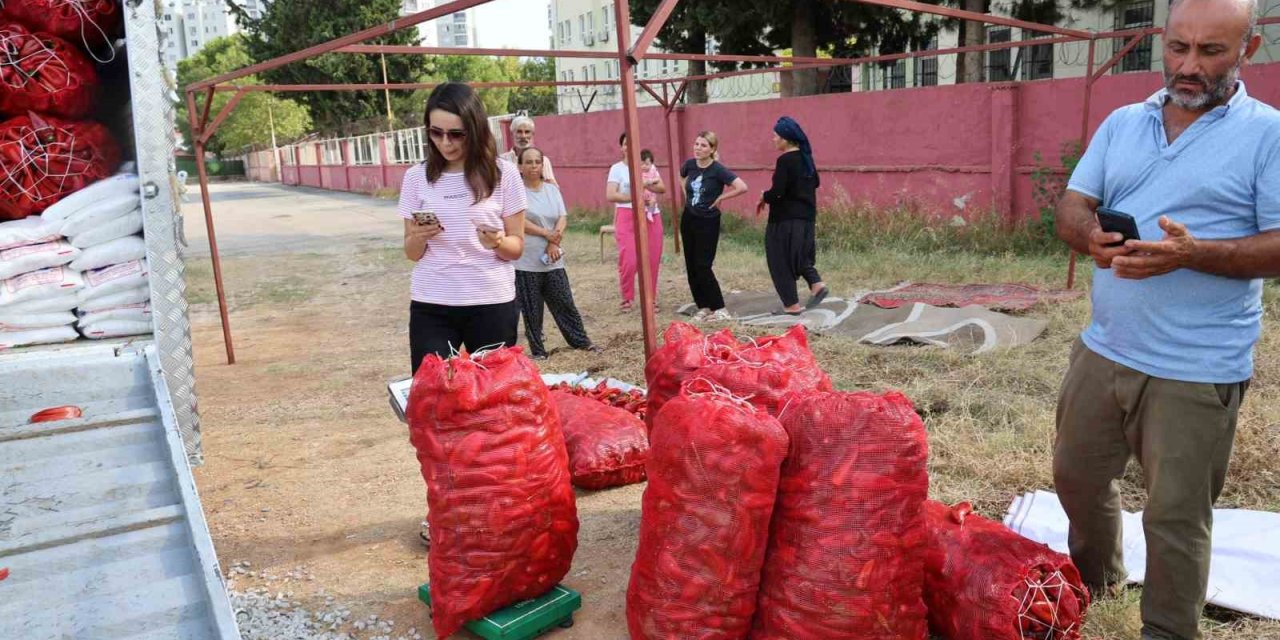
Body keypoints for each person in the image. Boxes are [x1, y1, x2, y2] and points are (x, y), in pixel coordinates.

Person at [1051, 0, 1279, 638]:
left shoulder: (1269, 135)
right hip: (1104, 349)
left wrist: (1193, 254)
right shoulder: (1125, 122)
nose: (1188, 66)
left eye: (1211, 52)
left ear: (1247, 51)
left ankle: (1168, 631)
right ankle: (1098, 587)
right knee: (1076, 479)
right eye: (1178, 47)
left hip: (1195, 367)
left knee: (1177, 517)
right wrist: (1090, 236)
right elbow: (1072, 206)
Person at [399, 81, 527, 375]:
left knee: (495, 394)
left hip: (490, 299)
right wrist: (418, 237)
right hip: (433, 300)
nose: (446, 143)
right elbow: (411, 252)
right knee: (434, 394)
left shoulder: (503, 174)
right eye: (436, 133)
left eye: (456, 134)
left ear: (476, 129)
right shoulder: (416, 178)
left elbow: (516, 248)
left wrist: (497, 242)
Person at [514, 146, 599, 360]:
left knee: (565, 302)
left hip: (553, 258)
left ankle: (581, 341)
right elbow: (518, 221)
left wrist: (554, 241)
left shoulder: (552, 189)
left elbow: (562, 217)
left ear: (543, 165)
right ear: (520, 166)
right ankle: (539, 351)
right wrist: (547, 234)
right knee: (532, 310)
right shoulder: (516, 192)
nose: (534, 166)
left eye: (537, 162)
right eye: (528, 162)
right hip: (527, 261)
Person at [759, 116, 828, 315]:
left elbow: (778, 192)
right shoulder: (807, 159)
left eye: (775, 136)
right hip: (806, 218)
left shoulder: (785, 161)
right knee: (800, 256)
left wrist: (764, 196)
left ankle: (791, 305)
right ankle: (816, 284)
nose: (773, 139)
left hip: (784, 220)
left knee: (779, 259)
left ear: (785, 139)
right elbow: (815, 183)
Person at [680, 131, 748, 322]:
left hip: (708, 221)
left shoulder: (718, 170)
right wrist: (687, 197)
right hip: (688, 219)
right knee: (691, 265)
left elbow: (742, 187)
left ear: (712, 149)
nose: (698, 148)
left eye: (703, 145)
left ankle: (720, 308)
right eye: (696, 144)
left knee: (703, 265)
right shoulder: (689, 165)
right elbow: (681, 176)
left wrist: (721, 198)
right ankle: (704, 306)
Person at [606, 134, 666, 312]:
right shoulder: (617, 169)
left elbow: (662, 188)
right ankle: (627, 297)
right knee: (629, 259)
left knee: (652, 259)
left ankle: (651, 299)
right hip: (626, 214)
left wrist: (646, 186)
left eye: (632, 144)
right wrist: (633, 196)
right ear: (621, 147)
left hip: (651, 215)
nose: (629, 147)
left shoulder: (647, 165)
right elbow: (610, 195)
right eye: (625, 144)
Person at [500, 114, 556, 184]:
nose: (523, 136)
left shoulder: (543, 160)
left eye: (527, 132)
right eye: (519, 132)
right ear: (512, 134)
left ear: (532, 134)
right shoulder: (502, 160)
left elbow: (553, 189)